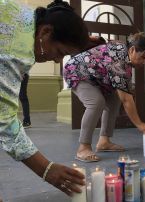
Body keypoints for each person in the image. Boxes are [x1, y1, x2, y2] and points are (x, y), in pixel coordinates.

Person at [0, 0, 90, 196]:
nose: (58, 60)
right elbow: (4, 122)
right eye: (60, 52)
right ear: (45, 32)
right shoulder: (18, 48)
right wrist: (46, 169)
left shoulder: (23, 16)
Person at [63, 33, 145, 162]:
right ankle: (83, 147)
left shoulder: (125, 57)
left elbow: (124, 93)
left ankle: (104, 141)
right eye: (143, 57)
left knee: (114, 99)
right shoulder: (119, 61)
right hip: (76, 72)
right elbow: (127, 100)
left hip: (95, 78)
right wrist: (139, 124)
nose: (144, 62)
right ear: (132, 50)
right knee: (96, 103)